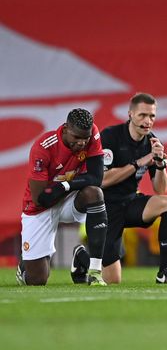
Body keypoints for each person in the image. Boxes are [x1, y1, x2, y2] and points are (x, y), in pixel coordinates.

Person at [70, 93, 167, 284]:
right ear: (130, 114)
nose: (148, 121)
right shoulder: (110, 136)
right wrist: (139, 163)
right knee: (112, 281)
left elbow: (160, 189)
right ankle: (81, 257)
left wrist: (161, 165)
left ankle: (164, 272)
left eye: (152, 116)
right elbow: (102, 180)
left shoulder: (152, 142)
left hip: (130, 202)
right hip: (105, 208)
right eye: (142, 115)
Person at [16, 108, 108, 286]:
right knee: (37, 280)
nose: (82, 143)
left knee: (94, 193)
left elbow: (96, 178)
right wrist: (61, 188)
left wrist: (65, 185)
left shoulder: (92, 134)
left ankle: (95, 271)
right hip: (39, 208)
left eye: (85, 138)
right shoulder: (43, 147)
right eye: (76, 138)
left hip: (67, 197)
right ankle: (25, 266)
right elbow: (40, 199)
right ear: (65, 129)